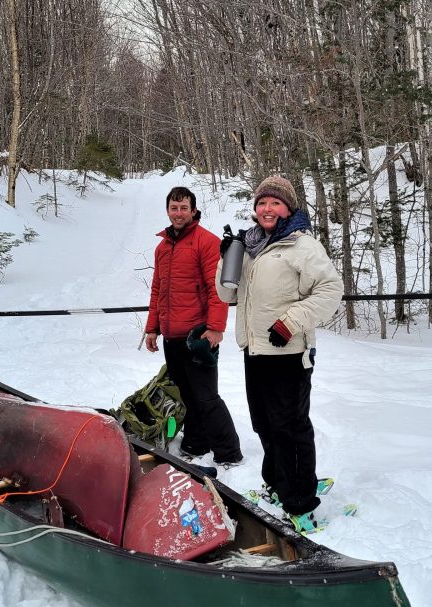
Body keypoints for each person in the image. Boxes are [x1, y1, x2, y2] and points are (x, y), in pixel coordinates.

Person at [216, 175, 343, 532]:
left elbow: (331, 289)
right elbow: (227, 295)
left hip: (288, 352)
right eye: (262, 203)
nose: (267, 208)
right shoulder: (249, 246)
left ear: (288, 208)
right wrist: (225, 259)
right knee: (265, 425)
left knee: (290, 428)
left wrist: (291, 322)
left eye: (275, 202)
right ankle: (277, 483)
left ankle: (300, 501)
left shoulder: (302, 245)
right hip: (255, 350)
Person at [145, 186, 242, 466]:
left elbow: (218, 289)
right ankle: (196, 443)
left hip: (198, 335)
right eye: (174, 208)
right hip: (171, 336)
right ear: (168, 210)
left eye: (183, 208)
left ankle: (229, 452)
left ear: (193, 210)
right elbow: (157, 290)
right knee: (185, 395)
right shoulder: (162, 248)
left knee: (206, 397)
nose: (178, 213)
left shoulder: (206, 242)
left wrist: (215, 328)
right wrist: (152, 328)